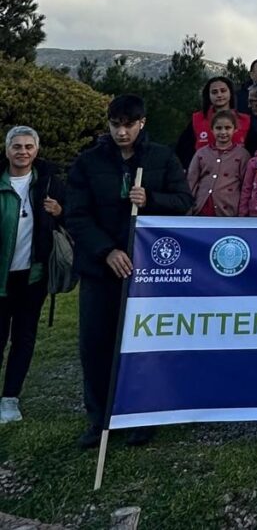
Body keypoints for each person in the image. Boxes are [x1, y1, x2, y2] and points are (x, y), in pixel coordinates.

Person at [66, 95, 192, 448]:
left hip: (146, 270)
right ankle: (100, 418)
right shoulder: (88, 162)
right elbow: (76, 214)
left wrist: (151, 199)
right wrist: (105, 250)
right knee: (96, 344)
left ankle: (140, 413)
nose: (122, 132)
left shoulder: (162, 158)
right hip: (100, 269)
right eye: (115, 125)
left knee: (142, 344)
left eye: (128, 125)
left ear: (142, 123)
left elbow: (184, 201)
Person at [0, 126, 65, 424]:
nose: (22, 152)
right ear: (7, 150)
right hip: (1, 276)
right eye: (17, 146)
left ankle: (10, 398)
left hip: (32, 276)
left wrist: (60, 211)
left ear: (36, 150)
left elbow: (74, 215)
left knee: (23, 338)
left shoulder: (48, 182)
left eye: (28, 146)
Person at [175, 76, 251, 168]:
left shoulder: (245, 120)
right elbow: (183, 150)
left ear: (230, 93)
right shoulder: (197, 119)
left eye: (223, 91)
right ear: (208, 95)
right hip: (204, 172)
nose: (219, 95)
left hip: (236, 172)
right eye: (214, 92)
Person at [186, 111, 250, 217]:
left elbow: (246, 185)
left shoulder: (242, 155)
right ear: (212, 129)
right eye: (219, 128)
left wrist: (243, 212)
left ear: (235, 129)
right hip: (202, 207)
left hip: (229, 210)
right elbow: (191, 181)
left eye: (227, 128)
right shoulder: (201, 153)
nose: (223, 132)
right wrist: (188, 208)